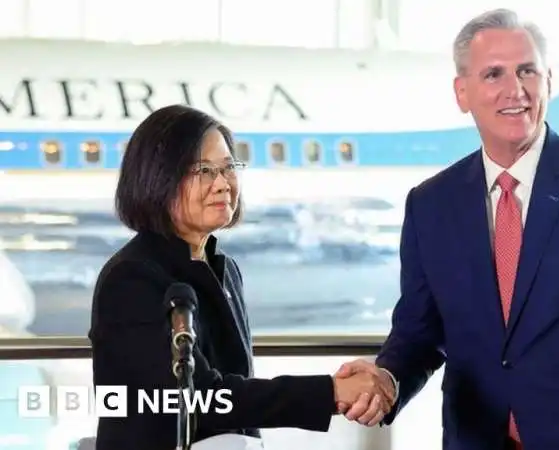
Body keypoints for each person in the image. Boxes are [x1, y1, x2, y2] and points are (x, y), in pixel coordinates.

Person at [333, 8, 559, 449]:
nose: (515, 90)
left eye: (527, 71)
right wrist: (386, 378)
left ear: (548, 82)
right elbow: (419, 331)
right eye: (493, 75)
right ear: (462, 92)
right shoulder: (430, 203)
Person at [88, 104, 393, 450]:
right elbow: (201, 400)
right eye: (202, 171)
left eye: (228, 167)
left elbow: (234, 389)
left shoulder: (223, 267)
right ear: (157, 179)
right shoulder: (132, 277)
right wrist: (331, 392)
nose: (222, 184)